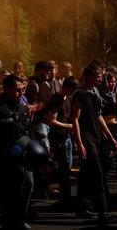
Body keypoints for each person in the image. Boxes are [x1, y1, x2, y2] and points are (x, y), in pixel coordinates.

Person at [0, 73, 33, 230]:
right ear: (7, 89)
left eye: (23, 89)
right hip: (3, 165)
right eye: (18, 90)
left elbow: (28, 136)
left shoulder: (23, 110)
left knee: (28, 187)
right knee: (8, 204)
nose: (21, 93)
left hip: (22, 163)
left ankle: (20, 219)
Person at [72, 64, 117, 226]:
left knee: (86, 174)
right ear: (89, 77)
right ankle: (103, 212)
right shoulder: (80, 94)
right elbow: (75, 120)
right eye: (98, 77)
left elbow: (98, 116)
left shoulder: (95, 93)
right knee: (96, 173)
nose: (100, 80)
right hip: (86, 138)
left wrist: (110, 136)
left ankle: (81, 206)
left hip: (96, 136)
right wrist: (79, 143)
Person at [45, 76, 77, 207]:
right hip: (58, 138)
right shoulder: (55, 100)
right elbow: (51, 121)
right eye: (72, 90)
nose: (72, 93)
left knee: (66, 168)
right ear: (66, 87)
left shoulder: (67, 98)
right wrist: (68, 126)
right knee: (63, 169)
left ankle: (45, 183)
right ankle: (65, 197)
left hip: (67, 137)